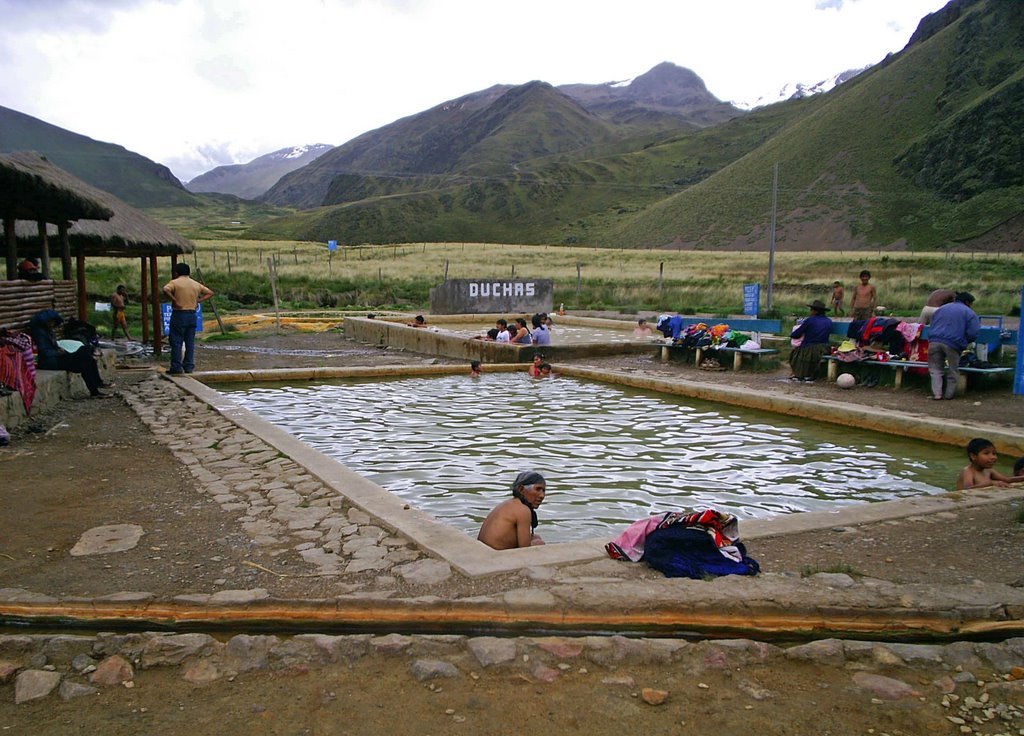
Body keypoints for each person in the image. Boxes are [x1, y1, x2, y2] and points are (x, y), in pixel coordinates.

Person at [28, 309, 108, 397]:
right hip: (50, 361)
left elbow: (53, 346)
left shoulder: (48, 332)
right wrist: (57, 352)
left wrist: (59, 349)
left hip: (57, 357)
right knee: (86, 359)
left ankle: (97, 385)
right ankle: (95, 390)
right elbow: (44, 352)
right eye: (51, 322)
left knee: (87, 354)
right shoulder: (39, 334)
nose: (53, 325)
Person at [162, 263, 214, 375]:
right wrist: (198, 301)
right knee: (190, 342)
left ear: (177, 272)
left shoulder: (175, 282)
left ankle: (176, 367)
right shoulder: (195, 284)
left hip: (179, 314)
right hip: (192, 314)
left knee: (176, 341)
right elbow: (210, 293)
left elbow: (165, 289)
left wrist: (174, 300)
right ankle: (189, 366)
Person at [927, 291, 978, 400]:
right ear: (967, 302)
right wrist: (964, 341)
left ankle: (937, 394)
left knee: (935, 369)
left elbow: (932, 323)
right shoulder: (969, 313)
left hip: (934, 340)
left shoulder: (941, 309)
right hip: (953, 343)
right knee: (953, 369)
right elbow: (973, 333)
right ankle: (949, 394)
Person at [477, 471, 547, 550]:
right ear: (521, 489)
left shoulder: (509, 504)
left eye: (543, 491)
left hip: (482, 552)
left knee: (535, 537)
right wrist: (537, 544)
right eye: (538, 489)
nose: (542, 495)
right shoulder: (523, 510)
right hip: (495, 557)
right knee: (539, 543)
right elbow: (525, 551)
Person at [788, 300, 833, 382]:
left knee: (795, 353)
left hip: (810, 347)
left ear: (815, 311)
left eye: (811, 310)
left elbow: (795, 334)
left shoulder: (810, 320)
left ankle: (800, 374)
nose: (810, 312)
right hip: (825, 348)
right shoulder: (828, 321)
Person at [955, 438, 1024, 490]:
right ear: (973, 456)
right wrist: (990, 483)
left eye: (994, 453)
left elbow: (1008, 480)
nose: (993, 457)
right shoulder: (968, 471)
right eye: (986, 453)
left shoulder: (989, 470)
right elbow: (967, 489)